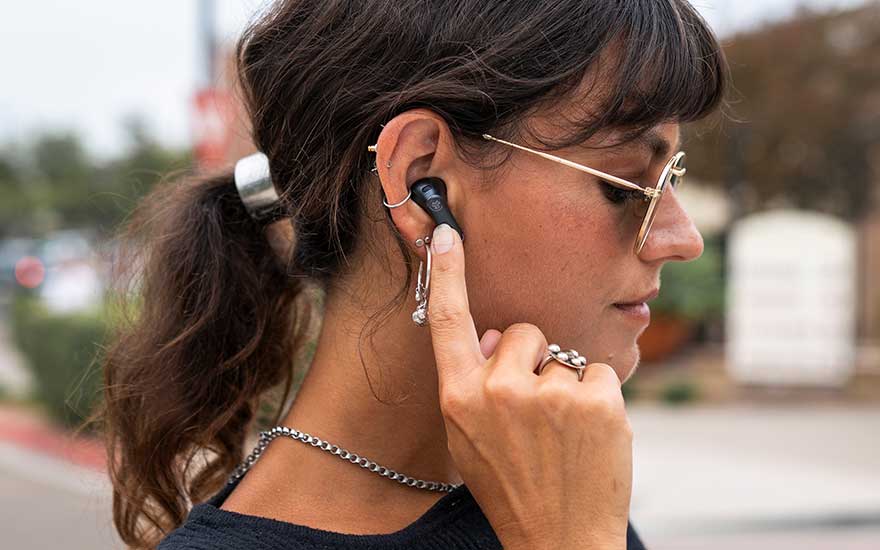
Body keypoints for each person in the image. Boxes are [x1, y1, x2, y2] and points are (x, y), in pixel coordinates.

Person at [95, 0, 728, 548]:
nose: (682, 239)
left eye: (669, 178)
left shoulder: (546, 477)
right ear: (423, 181)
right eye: (628, 185)